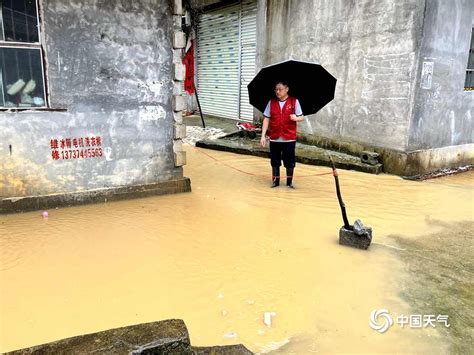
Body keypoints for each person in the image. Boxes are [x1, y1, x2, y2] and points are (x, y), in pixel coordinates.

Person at [259, 81, 305, 188]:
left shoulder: (294, 101)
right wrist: (263, 136)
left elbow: (302, 117)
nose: (278, 92)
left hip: (289, 139)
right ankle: (276, 182)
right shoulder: (271, 102)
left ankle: (289, 183)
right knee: (274, 162)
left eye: (280, 89)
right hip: (274, 138)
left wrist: (296, 118)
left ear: (287, 89)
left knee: (290, 162)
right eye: (276, 89)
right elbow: (266, 118)